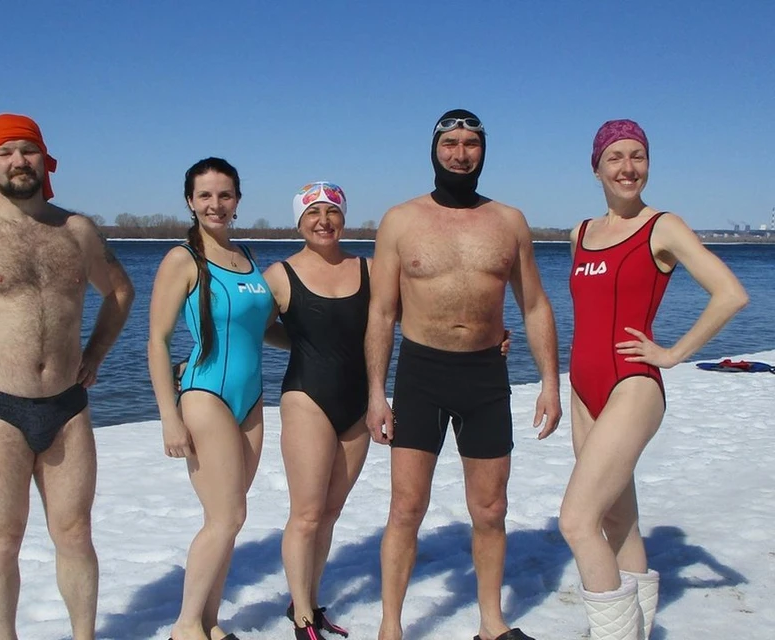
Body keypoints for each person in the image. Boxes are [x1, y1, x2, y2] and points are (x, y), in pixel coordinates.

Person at [0, 113, 135, 640]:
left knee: (75, 533)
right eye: (5, 152)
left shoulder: (76, 231)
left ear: (45, 160)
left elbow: (120, 292)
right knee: (2, 538)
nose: (18, 161)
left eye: (28, 150)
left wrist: (96, 353)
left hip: (67, 404)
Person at [365, 109, 562, 640]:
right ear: (434, 150)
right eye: (450, 142)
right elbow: (381, 312)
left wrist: (550, 382)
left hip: (484, 376)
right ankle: (390, 626)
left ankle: (492, 625)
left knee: (491, 508)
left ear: (483, 150)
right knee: (406, 506)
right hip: (421, 372)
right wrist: (375, 393)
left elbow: (535, 305)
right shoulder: (400, 220)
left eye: (470, 143)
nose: (460, 153)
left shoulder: (509, 221)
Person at [559, 119, 748, 640]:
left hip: (632, 385)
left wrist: (673, 354)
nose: (628, 167)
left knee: (576, 521)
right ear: (595, 167)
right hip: (583, 390)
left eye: (637, 155)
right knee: (617, 522)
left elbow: (730, 294)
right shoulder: (580, 234)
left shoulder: (661, 226)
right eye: (615, 156)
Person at [147, 157, 277, 640]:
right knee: (228, 516)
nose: (215, 204)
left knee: (229, 518)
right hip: (205, 396)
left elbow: (262, 329)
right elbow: (157, 341)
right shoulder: (183, 260)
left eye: (225, 195)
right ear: (190, 201)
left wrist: (324, 340)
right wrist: (168, 415)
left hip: (252, 400)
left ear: (238, 201)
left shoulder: (246, 257)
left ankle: (211, 621)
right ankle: (185, 627)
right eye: (205, 195)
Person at [262, 182, 369, 640]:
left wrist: (487, 336)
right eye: (313, 213)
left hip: (359, 402)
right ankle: (303, 615)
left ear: (344, 218)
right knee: (305, 514)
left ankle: (305, 596)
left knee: (329, 512)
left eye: (332, 211)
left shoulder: (371, 268)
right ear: (299, 222)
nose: (323, 220)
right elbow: (252, 328)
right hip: (308, 398)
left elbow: (417, 317)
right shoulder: (280, 275)